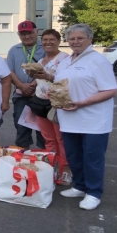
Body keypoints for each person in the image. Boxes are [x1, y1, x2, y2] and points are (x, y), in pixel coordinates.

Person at [55, 24, 117, 210]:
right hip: (69, 119)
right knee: (74, 156)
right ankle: (80, 186)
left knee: (92, 157)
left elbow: (111, 90)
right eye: (72, 38)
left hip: (93, 120)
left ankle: (94, 192)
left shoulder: (98, 61)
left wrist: (82, 103)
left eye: (80, 38)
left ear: (90, 39)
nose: (75, 41)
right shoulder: (67, 60)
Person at [31, 29, 70, 183]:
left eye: (51, 39)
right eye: (45, 40)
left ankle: (66, 169)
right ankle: (52, 168)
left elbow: (67, 81)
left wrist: (49, 76)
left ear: (59, 41)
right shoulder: (40, 62)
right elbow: (40, 82)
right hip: (41, 102)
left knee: (61, 139)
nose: (48, 42)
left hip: (57, 103)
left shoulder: (65, 59)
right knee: (49, 139)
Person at [6, 20, 46, 149]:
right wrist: (21, 85)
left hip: (42, 95)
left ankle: (44, 155)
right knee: (21, 125)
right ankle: (23, 155)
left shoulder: (45, 47)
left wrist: (33, 84)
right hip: (21, 94)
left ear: (36, 32)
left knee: (43, 127)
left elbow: (49, 67)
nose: (27, 36)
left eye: (29, 33)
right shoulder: (14, 50)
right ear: (18, 34)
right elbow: (9, 71)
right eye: (23, 34)